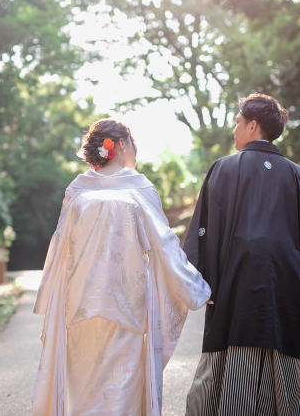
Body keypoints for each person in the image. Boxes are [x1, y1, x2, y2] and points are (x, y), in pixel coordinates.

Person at [32, 118, 211, 416]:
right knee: (120, 384)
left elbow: (59, 244)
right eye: (134, 141)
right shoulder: (139, 189)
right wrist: (196, 288)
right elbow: (164, 244)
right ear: (122, 144)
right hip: (127, 299)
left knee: (85, 382)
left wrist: (50, 293)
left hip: (80, 299)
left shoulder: (78, 190)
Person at [183, 93, 300, 416]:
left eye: (237, 122)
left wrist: (200, 280)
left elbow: (203, 229)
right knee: (282, 353)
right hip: (285, 289)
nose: (234, 130)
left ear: (252, 125)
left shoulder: (223, 169)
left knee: (223, 362)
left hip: (233, 287)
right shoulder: (297, 176)